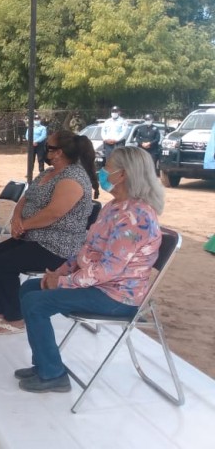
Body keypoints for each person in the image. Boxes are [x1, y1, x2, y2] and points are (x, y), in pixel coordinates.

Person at [15, 146, 164, 393]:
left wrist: (62, 283)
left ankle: (53, 375)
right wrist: (61, 273)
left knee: (35, 303)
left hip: (117, 296)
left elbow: (109, 270)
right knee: (30, 288)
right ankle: (44, 364)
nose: (103, 171)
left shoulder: (136, 217)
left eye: (108, 167)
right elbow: (87, 248)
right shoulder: (114, 207)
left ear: (123, 174)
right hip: (99, 286)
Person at [0, 130, 97, 335]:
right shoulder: (47, 173)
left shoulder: (73, 178)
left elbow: (54, 213)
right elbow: (26, 199)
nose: (44, 149)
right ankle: (6, 310)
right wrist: (17, 219)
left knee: (4, 264)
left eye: (48, 146)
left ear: (58, 153)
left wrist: (24, 225)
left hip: (57, 245)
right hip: (33, 236)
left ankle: (16, 317)